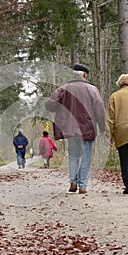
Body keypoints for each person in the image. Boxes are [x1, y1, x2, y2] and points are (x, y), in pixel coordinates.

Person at [45, 64, 106, 194]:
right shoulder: (92, 89)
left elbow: (49, 105)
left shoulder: (63, 89)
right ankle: (82, 185)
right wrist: (102, 127)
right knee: (86, 157)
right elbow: (99, 108)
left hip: (70, 129)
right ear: (84, 75)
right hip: (87, 129)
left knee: (73, 156)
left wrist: (61, 107)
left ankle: (73, 182)